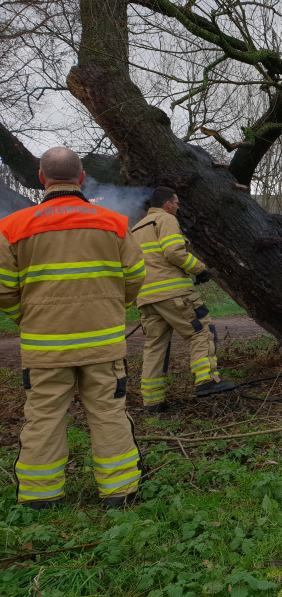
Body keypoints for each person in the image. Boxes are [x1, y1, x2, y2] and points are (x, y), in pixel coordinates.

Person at [0, 147, 146, 508]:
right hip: (103, 344)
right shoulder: (114, 223)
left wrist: (28, 318)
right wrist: (113, 310)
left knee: (43, 417)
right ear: (81, 178)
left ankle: (39, 498)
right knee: (109, 413)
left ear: (41, 179)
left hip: (45, 346)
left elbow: (4, 289)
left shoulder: (12, 227)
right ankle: (120, 493)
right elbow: (136, 276)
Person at [132, 188, 235, 412]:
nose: (178, 206)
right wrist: (199, 269)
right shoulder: (166, 219)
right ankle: (206, 380)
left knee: (155, 347)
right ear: (168, 204)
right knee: (201, 331)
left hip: (146, 297)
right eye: (177, 202)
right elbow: (174, 252)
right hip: (173, 292)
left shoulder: (136, 228)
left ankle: (152, 402)